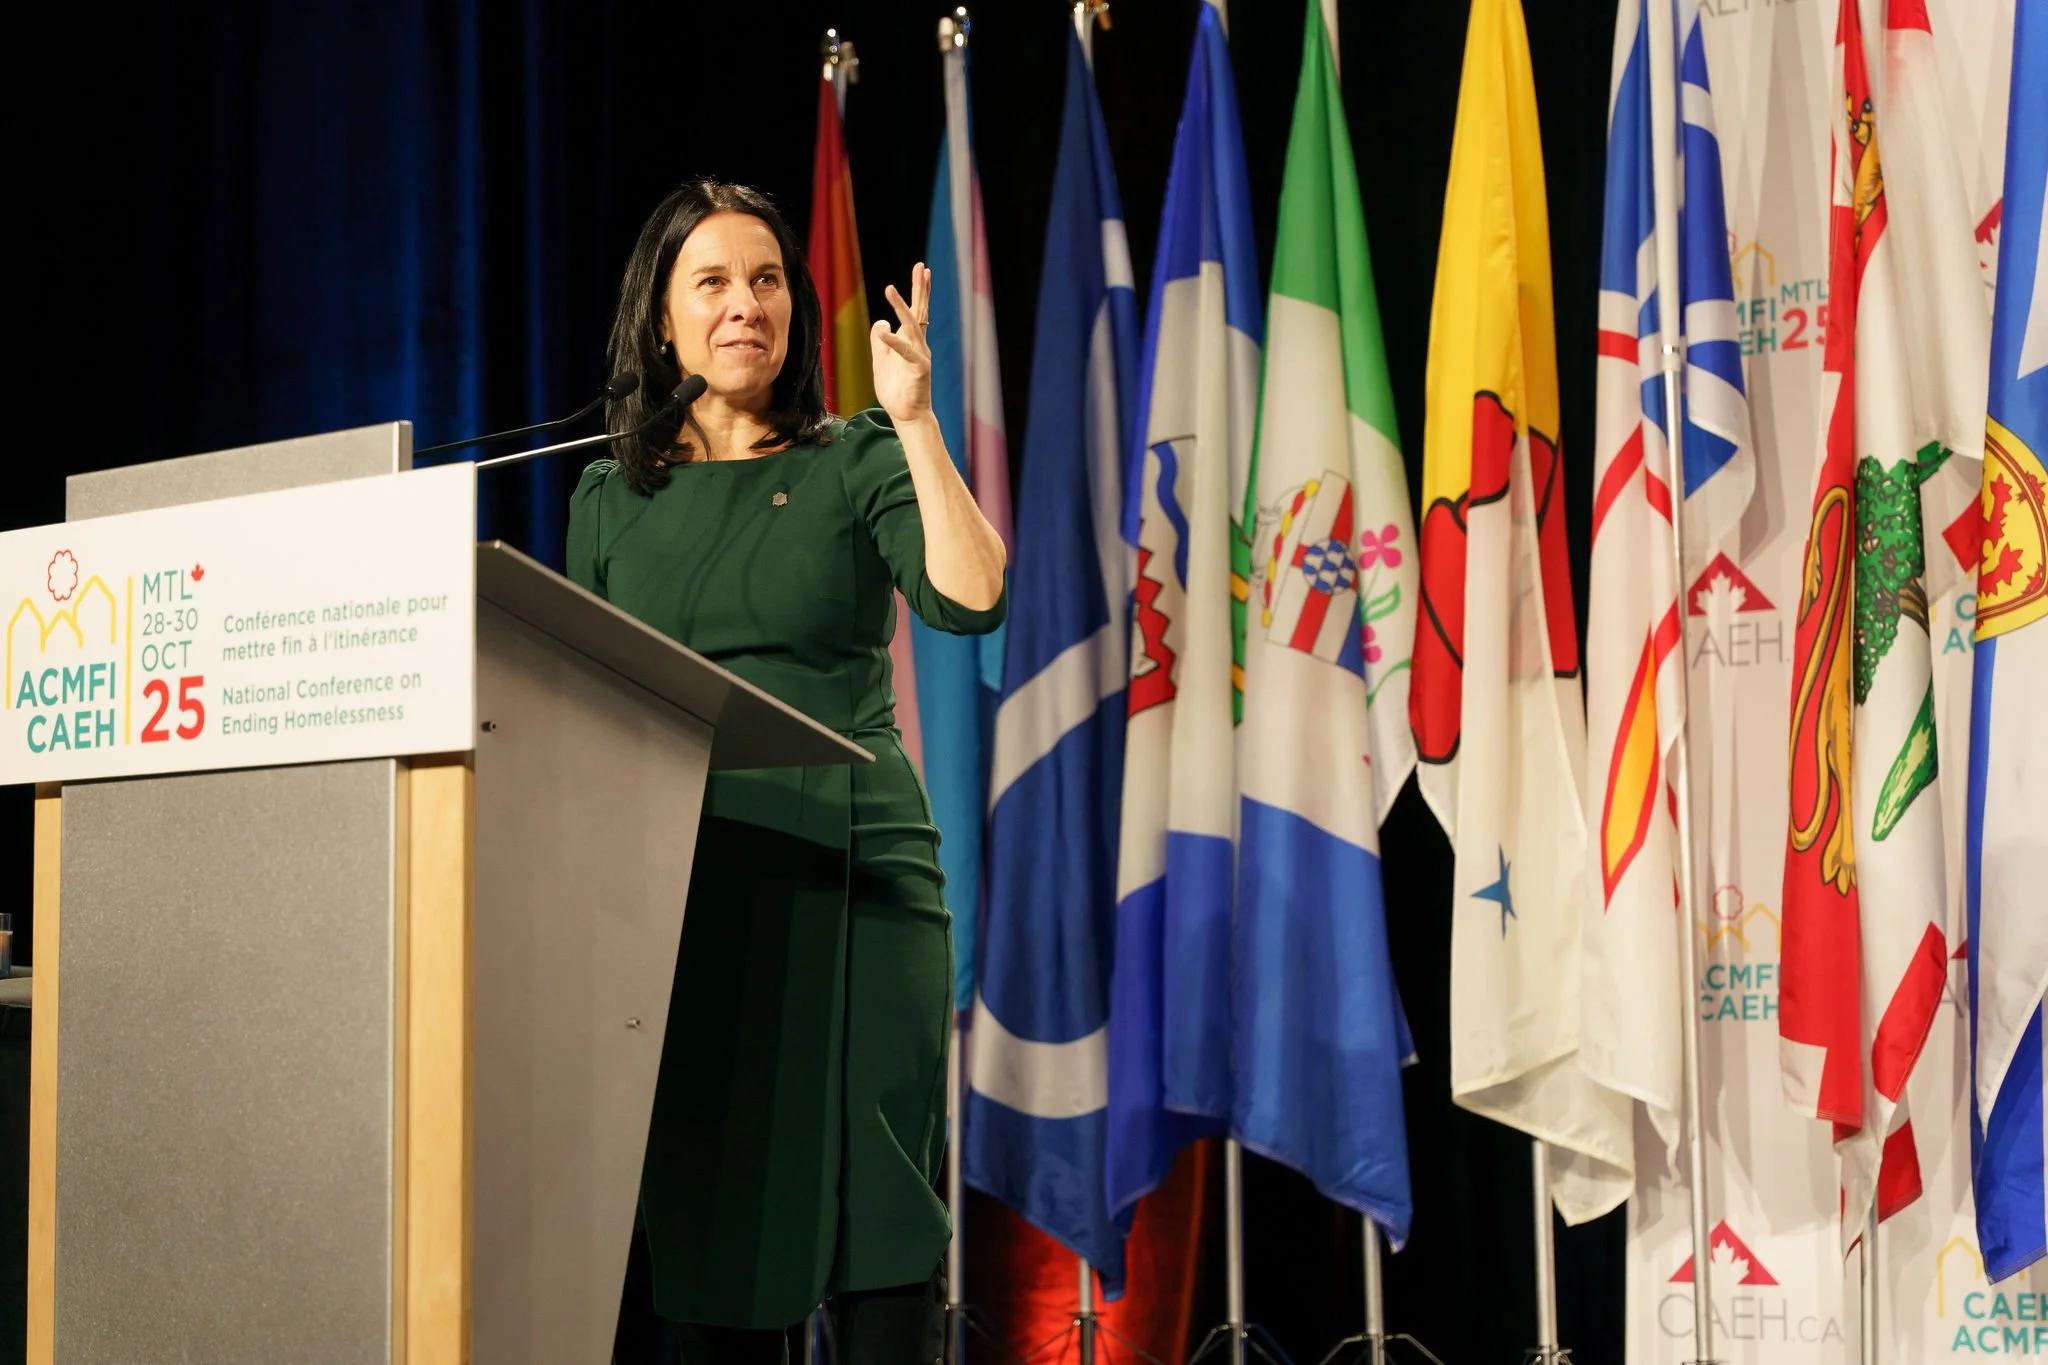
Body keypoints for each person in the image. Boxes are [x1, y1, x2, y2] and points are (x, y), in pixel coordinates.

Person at [571, 179, 1006, 1365]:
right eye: (709, 281)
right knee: (720, 1222)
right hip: (694, 889)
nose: (743, 304)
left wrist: (916, 421)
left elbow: (974, 600)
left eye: (765, 279)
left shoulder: (855, 456)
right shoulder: (608, 498)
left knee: (879, 1222)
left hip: (860, 874)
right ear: (662, 321)